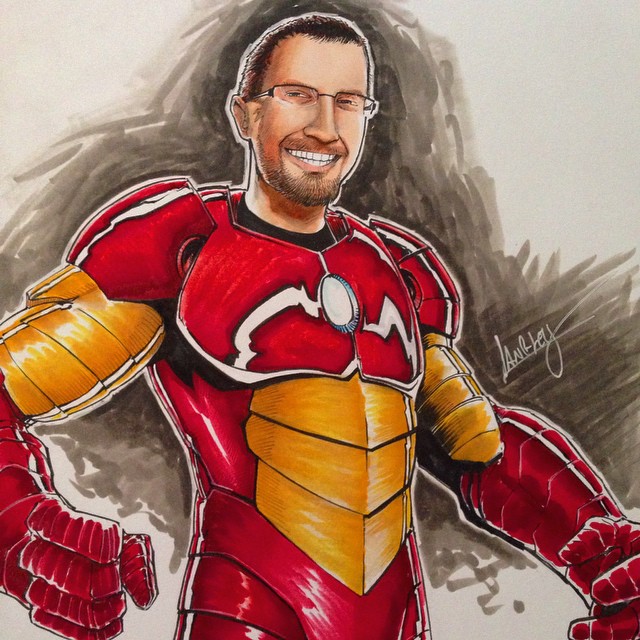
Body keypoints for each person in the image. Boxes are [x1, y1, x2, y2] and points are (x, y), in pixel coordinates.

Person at [0, 13, 638, 640]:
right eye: (298, 95)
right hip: (248, 609)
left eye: (348, 102)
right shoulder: (181, 245)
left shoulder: (397, 267)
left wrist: (606, 550)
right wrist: (25, 531)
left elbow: (478, 446)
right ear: (246, 113)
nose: (325, 127)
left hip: (399, 621)